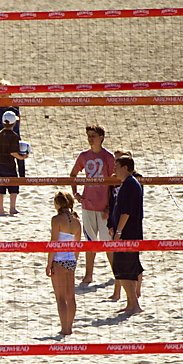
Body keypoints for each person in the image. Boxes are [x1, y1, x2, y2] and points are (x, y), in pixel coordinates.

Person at [70, 123, 115, 285]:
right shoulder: (83, 156)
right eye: (88, 135)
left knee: (108, 243)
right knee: (90, 243)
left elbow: (114, 184)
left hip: (104, 207)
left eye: (93, 136)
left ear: (101, 138)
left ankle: (117, 273)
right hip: (88, 205)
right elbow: (73, 174)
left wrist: (110, 207)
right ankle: (88, 276)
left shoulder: (109, 158)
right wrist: (76, 194)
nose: (90, 139)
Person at [111, 155, 144, 314]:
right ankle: (131, 304)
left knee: (123, 268)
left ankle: (134, 305)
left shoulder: (131, 184)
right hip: (126, 233)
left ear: (125, 167)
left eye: (117, 166)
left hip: (128, 235)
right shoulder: (127, 184)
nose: (114, 170)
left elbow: (126, 212)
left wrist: (118, 232)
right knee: (124, 269)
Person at [46, 191, 82, 336]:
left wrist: (49, 263)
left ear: (59, 204)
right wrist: (74, 261)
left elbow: (53, 242)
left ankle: (64, 329)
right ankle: (70, 327)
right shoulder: (77, 221)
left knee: (60, 297)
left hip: (59, 260)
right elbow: (77, 245)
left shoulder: (56, 219)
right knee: (70, 297)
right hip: (71, 260)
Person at [0, 111, 27, 215]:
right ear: (14, 123)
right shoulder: (14, 136)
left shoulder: (0, 134)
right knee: (13, 184)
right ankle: (12, 208)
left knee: (1, 184)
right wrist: (21, 158)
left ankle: (0, 209)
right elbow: (13, 152)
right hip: (8, 163)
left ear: (3, 123)